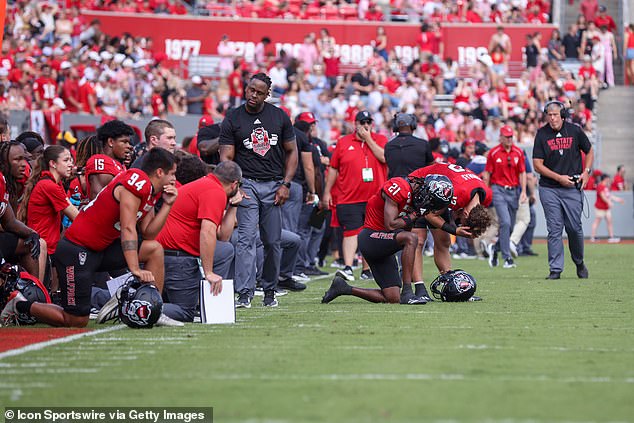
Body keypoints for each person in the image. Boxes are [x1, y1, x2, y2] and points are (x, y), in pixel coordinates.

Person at [1, 148, 179, 327]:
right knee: (75, 320)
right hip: (77, 249)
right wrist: (135, 269)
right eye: (172, 174)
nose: (174, 179)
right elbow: (127, 228)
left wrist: (168, 205)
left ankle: (155, 309)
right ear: (159, 172)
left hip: (101, 248)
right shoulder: (138, 182)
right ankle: (19, 305)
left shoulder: (150, 191)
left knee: (153, 249)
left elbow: (149, 233)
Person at [219, 73, 298, 309]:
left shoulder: (279, 116)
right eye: (250, 89)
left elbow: (292, 151)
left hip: (274, 184)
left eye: (259, 92)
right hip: (247, 183)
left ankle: (270, 290)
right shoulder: (233, 117)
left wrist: (286, 184)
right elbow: (226, 155)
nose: (253, 95)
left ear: (268, 94)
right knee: (245, 239)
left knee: (272, 242)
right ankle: (244, 292)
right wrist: (234, 185)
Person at [321, 174, 453, 306]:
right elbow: (391, 224)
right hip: (370, 237)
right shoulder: (399, 187)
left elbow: (405, 229)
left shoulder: (414, 201)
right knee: (412, 238)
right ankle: (407, 291)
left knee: (392, 297)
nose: (430, 205)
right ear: (424, 190)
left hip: (384, 243)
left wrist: (412, 217)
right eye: (431, 200)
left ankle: (343, 288)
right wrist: (414, 215)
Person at [156, 161, 243, 322]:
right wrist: (209, 272)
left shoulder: (208, 185)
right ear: (235, 184)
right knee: (185, 311)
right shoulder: (214, 191)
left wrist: (234, 206)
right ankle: (134, 304)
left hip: (167, 253)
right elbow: (208, 232)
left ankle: (128, 300)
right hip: (177, 257)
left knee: (225, 249)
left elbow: (223, 236)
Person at [321, 111, 388, 282]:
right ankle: (348, 266)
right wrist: (327, 191)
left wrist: (369, 139)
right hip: (348, 197)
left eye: (368, 122)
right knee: (351, 233)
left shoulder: (380, 140)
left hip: (374, 197)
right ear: (355, 124)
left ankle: (367, 269)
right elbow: (334, 168)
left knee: (370, 233)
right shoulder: (343, 142)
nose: (366, 125)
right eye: (362, 122)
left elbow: (384, 157)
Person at [409, 163, 492, 299]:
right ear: (465, 214)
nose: (461, 224)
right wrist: (454, 230)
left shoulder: (485, 195)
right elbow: (429, 213)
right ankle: (419, 288)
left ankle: (449, 281)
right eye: (464, 224)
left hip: (439, 189)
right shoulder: (459, 195)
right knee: (418, 240)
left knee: (443, 241)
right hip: (420, 184)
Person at [533, 101, 594, 280]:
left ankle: (579, 262)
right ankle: (555, 269)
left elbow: (589, 151)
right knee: (554, 228)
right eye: (549, 115)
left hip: (572, 188)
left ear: (563, 115)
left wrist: (587, 172)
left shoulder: (575, 131)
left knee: (574, 228)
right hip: (549, 188)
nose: (552, 118)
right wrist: (558, 177)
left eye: (555, 115)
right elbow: (537, 164)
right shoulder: (542, 134)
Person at [18, 146, 79, 257]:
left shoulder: (55, 183)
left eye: (71, 160)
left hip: (49, 247)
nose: (71, 164)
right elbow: (76, 217)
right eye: (66, 160)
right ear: (53, 164)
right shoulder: (49, 186)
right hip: (42, 249)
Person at [483, 125, 527, 269]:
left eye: (511, 137)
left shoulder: (518, 152)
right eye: (506, 137)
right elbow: (487, 174)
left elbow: (522, 172)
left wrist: (524, 191)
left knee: (509, 225)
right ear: (500, 137)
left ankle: (494, 249)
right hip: (498, 190)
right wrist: (486, 191)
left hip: (513, 191)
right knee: (506, 222)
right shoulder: (493, 153)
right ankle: (507, 258)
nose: (509, 139)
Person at [85, 120, 133, 199]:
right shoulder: (101, 161)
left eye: (128, 142)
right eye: (124, 142)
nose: (129, 146)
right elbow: (98, 199)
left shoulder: (120, 165)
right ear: (111, 142)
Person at [384, 113, 434, 179]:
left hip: (396, 187)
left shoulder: (388, 146)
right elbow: (431, 166)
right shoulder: (423, 144)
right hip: (417, 186)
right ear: (413, 125)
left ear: (396, 127)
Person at [591, 174, 624, 243]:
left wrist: (618, 199)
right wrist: (609, 202)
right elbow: (603, 196)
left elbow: (610, 196)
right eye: (608, 178)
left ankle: (611, 237)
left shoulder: (606, 187)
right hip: (600, 208)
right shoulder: (600, 186)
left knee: (609, 222)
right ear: (605, 179)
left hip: (606, 208)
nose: (609, 180)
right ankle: (593, 237)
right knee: (597, 222)